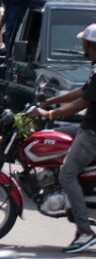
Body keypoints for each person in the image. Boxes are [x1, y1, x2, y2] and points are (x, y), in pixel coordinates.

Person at [30, 23, 96, 253]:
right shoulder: (95, 67)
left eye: (85, 43)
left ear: (92, 45)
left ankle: (85, 231)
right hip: (87, 126)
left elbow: (83, 103)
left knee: (67, 174)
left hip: (93, 131)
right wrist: (48, 102)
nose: (82, 46)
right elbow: (81, 91)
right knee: (57, 138)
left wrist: (51, 113)